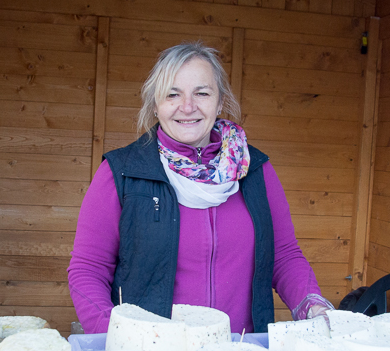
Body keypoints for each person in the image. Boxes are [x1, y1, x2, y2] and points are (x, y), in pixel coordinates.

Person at [68, 42, 333, 334]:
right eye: (172, 94)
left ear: (219, 102)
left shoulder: (255, 170)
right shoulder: (122, 172)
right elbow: (87, 270)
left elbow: (284, 256)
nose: (188, 106)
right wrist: (114, 337)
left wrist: (314, 306)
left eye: (202, 93)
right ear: (156, 105)